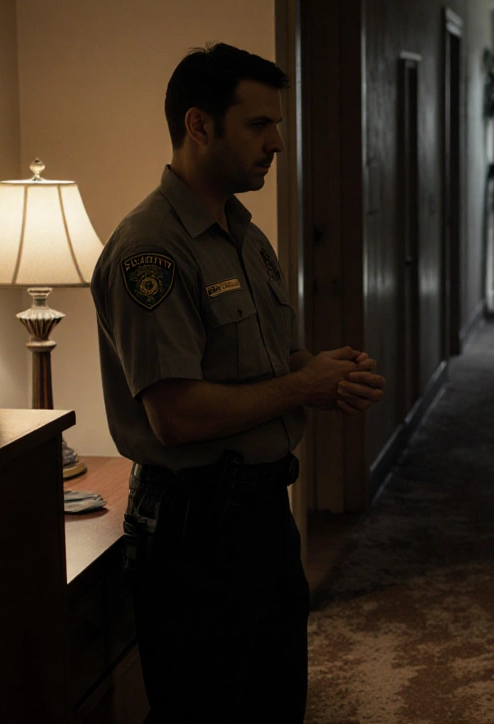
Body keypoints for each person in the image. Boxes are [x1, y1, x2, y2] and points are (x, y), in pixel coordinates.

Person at [91, 43, 386, 723]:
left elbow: (260, 363)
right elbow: (176, 415)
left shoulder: (243, 234)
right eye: (258, 125)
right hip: (195, 534)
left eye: (275, 126)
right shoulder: (152, 250)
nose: (276, 142)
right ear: (199, 125)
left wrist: (321, 371)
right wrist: (302, 386)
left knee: (275, 703)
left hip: (260, 516)